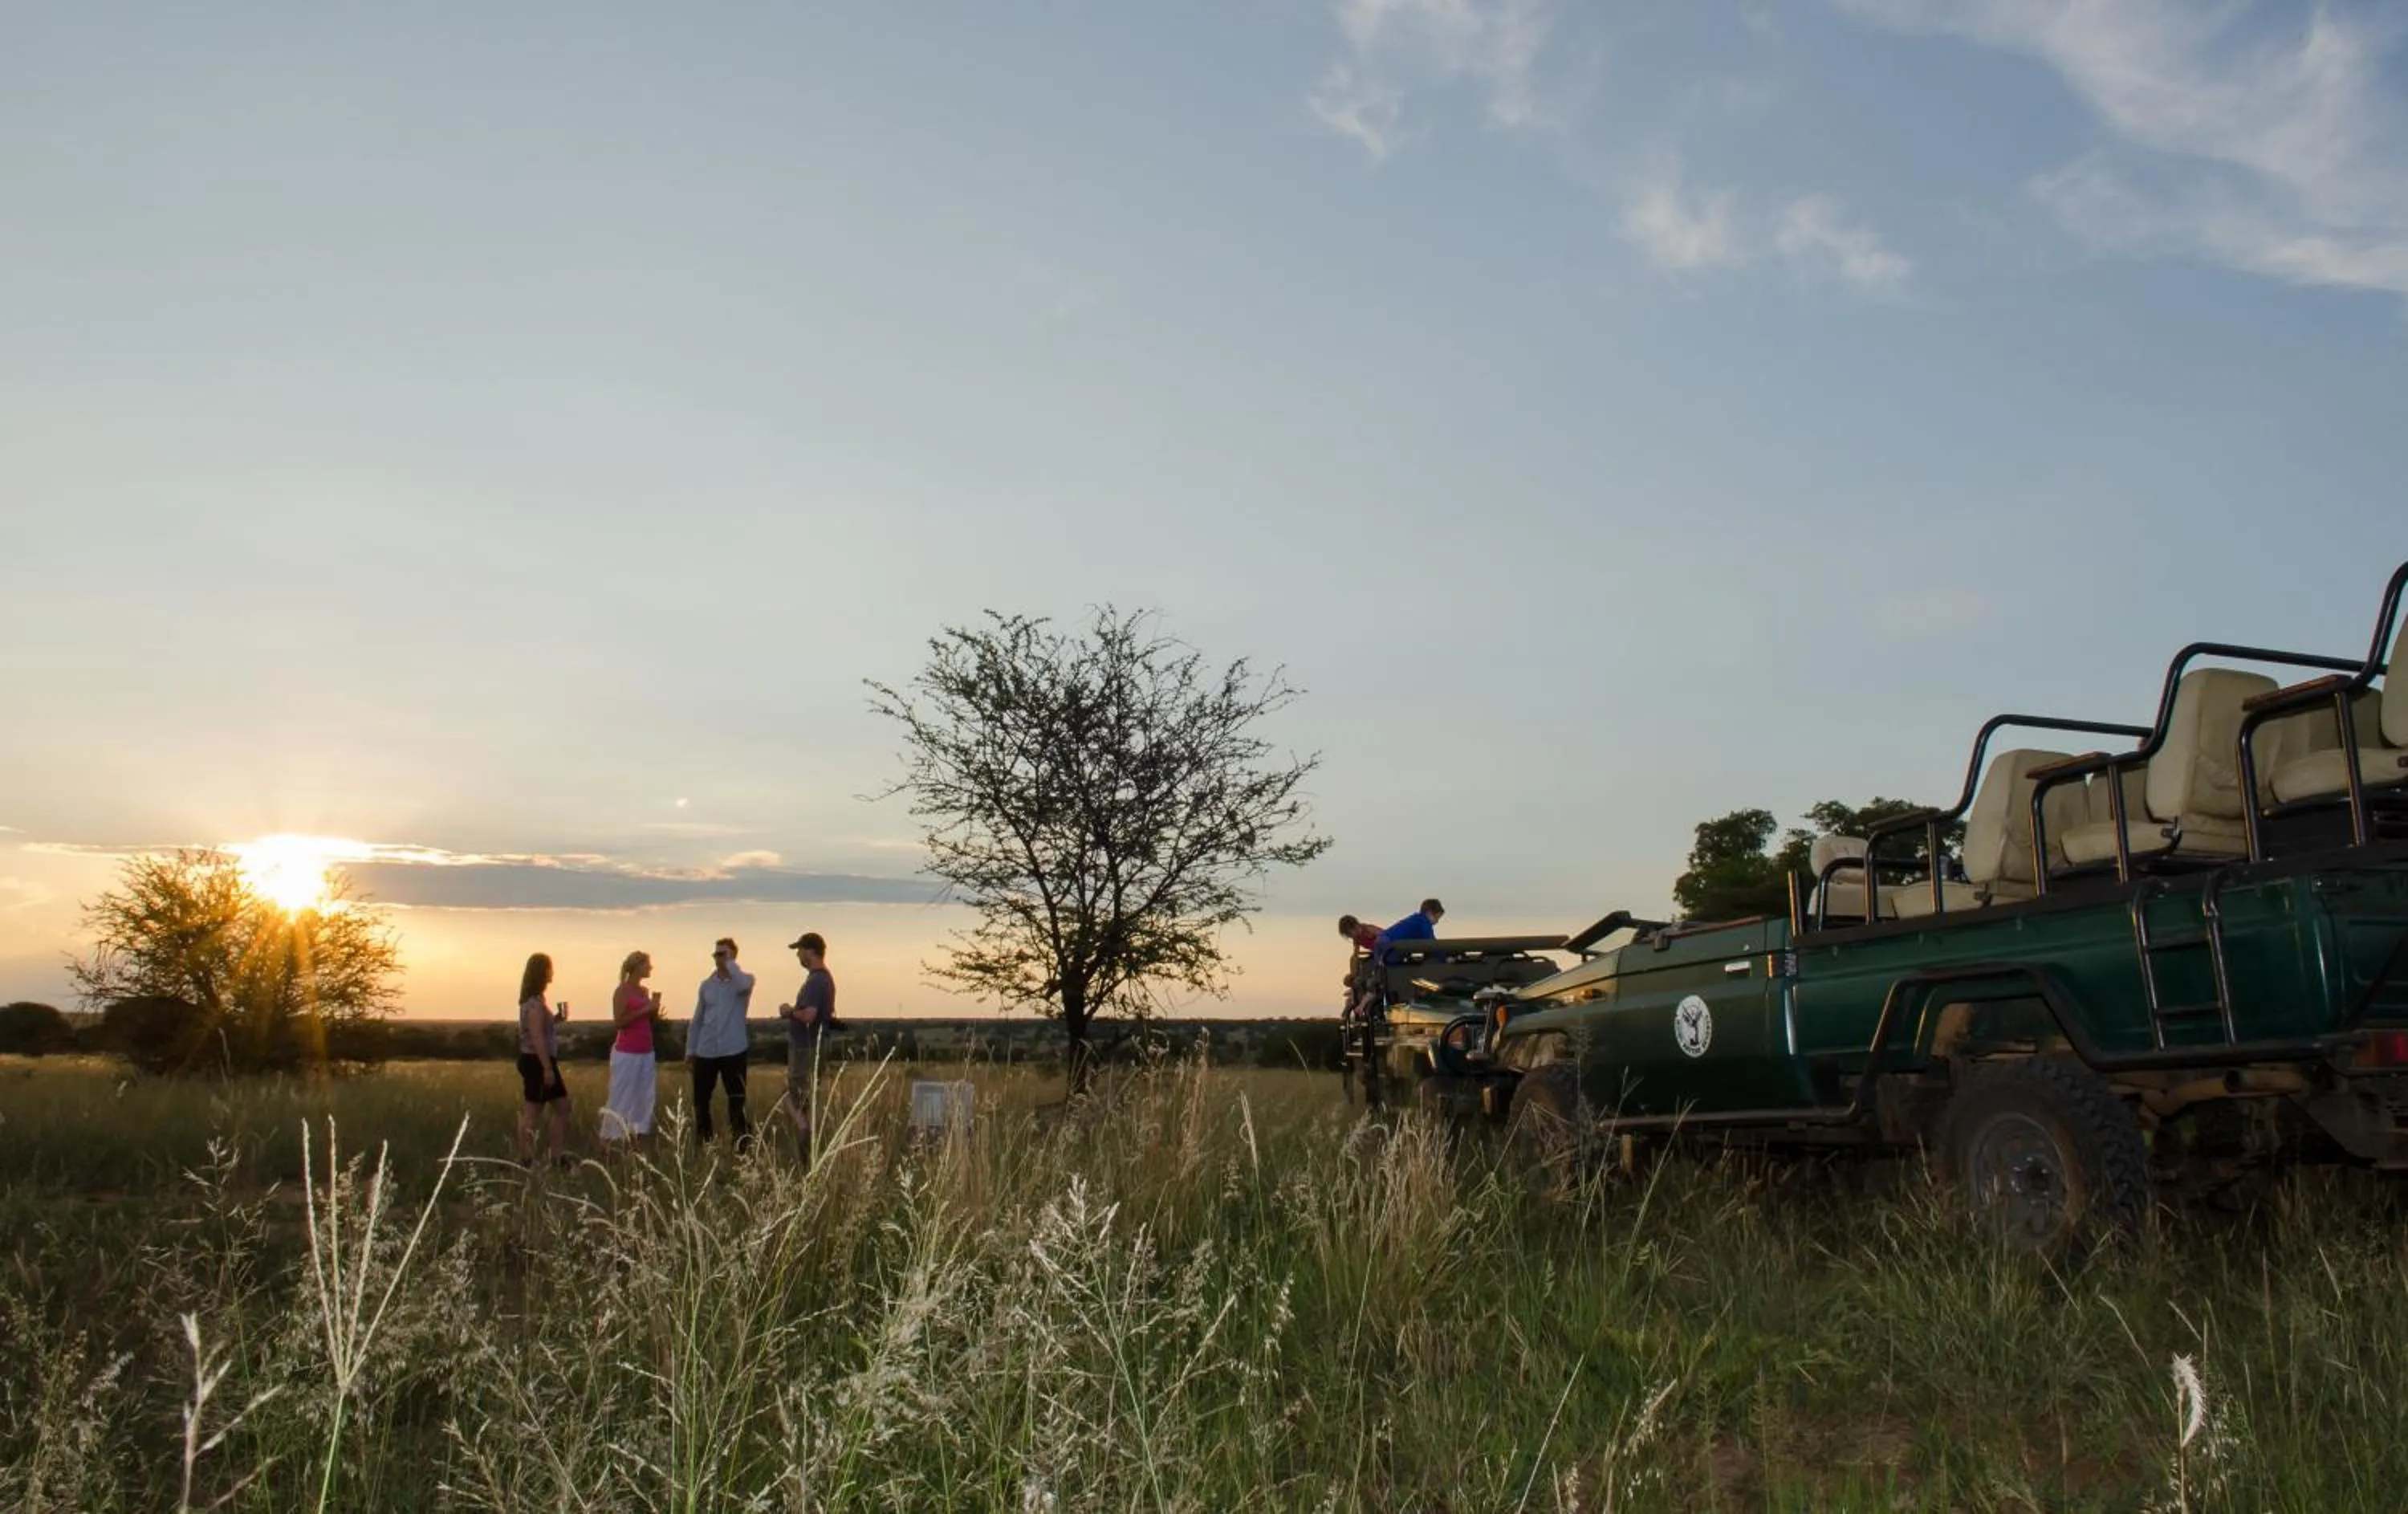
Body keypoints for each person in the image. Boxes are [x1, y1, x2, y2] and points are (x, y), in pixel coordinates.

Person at [687, 936, 756, 1148]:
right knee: (700, 1101)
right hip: (706, 1051)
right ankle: (704, 1143)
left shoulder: (743, 982)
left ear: (733, 955)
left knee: (736, 1100)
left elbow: (744, 983)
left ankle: (742, 1146)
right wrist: (691, 1049)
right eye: (716, 954)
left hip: (733, 1050)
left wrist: (731, 964)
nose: (718, 958)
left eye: (722, 954)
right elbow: (697, 1019)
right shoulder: (706, 985)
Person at [776, 931, 837, 1151]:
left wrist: (789, 1012)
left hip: (806, 1047)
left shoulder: (816, 981)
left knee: (790, 1094)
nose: (798, 956)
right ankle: (811, 1141)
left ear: (811, 951)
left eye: (800, 950)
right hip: (813, 1045)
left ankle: (805, 1133)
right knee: (808, 1096)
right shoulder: (823, 978)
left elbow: (809, 1015)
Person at [600, 950, 661, 1147]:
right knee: (621, 1097)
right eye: (647, 964)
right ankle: (607, 1142)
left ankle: (634, 1144)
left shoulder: (643, 991)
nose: (650, 968)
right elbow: (619, 1021)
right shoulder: (622, 991)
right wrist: (645, 1009)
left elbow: (648, 1020)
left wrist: (654, 1009)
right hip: (627, 1053)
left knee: (643, 1099)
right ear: (637, 967)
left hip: (646, 1051)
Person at [515, 952, 571, 1164]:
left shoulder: (535, 1001)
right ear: (541, 972)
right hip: (538, 1061)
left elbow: (538, 1030)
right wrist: (547, 1068)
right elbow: (537, 1037)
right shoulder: (534, 1004)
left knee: (560, 1108)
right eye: (549, 968)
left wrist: (556, 1019)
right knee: (534, 1112)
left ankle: (553, 1156)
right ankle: (529, 1159)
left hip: (537, 1059)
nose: (552, 973)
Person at [1377, 898, 1446, 961]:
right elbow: (1431, 942)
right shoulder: (1423, 922)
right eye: (1436, 918)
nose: (1437, 922)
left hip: (1383, 945)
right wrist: (1445, 955)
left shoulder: (1416, 919)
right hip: (1390, 949)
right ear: (1429, 913)